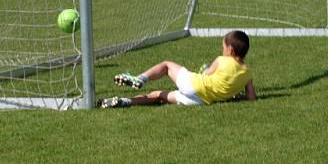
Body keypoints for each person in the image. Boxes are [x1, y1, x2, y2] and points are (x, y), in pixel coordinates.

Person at [100, 30, 256, 108]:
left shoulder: (222, 60)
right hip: (199, 101)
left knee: (166, 65)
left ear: (230, 50)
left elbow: (205, 74)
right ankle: (125, 101)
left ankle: (139, 78)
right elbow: (251, 97)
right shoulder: (247, 72)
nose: (222, 50)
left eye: (223, 47)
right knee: (158, 95)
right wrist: (233, 96)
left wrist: (206, 69)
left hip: (195, 85)